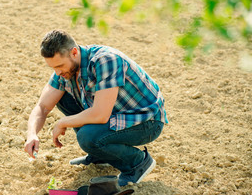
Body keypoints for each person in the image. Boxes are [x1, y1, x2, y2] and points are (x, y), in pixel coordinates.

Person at [24, 30, 168, 186]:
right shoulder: (65, 72)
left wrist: (63, 122)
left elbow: (100, 115)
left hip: (146, 121)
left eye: (60, 66)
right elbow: (42, 107)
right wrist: (32, 134)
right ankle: (100, 154)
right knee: (63, 98)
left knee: (88, 137)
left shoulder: (105, 60)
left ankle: (137, 163)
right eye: (53, 68)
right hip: (116, 116)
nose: (57, 72)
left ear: (74, 52)